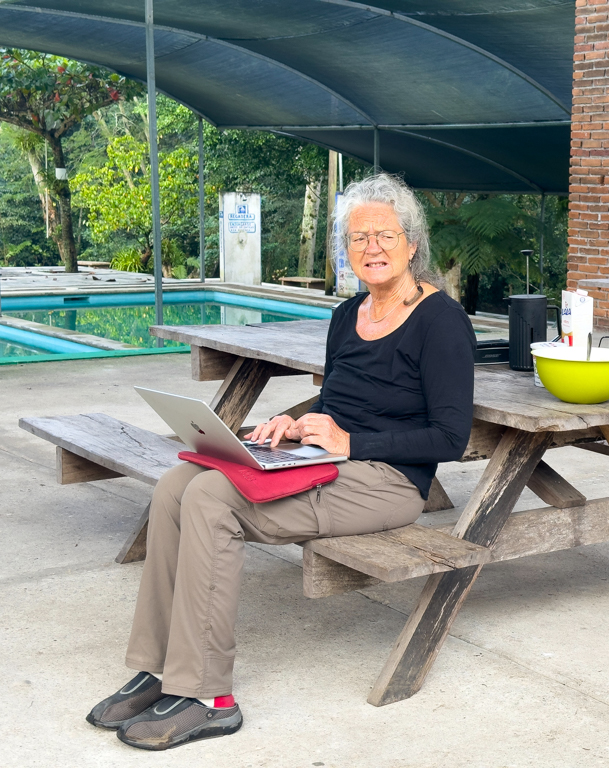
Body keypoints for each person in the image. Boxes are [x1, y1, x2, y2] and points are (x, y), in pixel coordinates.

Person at [87, 173, 476, 750]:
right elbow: (340, 399)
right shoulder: (349, 316)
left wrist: (350, 443)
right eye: (358, 237)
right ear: (346, 250)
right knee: (178, 483)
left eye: (384, 235)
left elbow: (449, 438)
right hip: (324, 458)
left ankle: (209, 697)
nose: (371, 248)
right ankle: (161, 667)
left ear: (411, 243)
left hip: (387, 481)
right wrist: (294, 423)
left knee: (212, 500)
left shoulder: (442, 322)